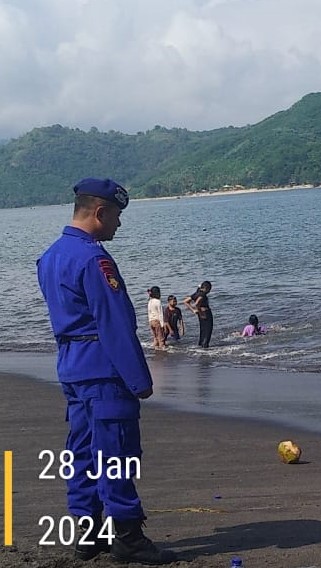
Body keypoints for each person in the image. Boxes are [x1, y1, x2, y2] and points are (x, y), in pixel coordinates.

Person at [36, 178, 176, 564]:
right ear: (99, 212)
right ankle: (127, 536)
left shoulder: (50, 256)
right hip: (103, 368)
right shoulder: (93, 259)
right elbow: (113, 322)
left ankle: (88, 531)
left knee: (80, 449)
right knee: (115, 452)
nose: (118, 224)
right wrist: (139, 380)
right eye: (116, 215)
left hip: (71, 367)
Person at [184, 281, 213, 348]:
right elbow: (197, 303)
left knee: (202, 330)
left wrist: (193, 310)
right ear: (207, 288)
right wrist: (197, 308)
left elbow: (185, 301)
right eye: (209, 289)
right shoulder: (202, 294)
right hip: (206, 313)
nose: (209, 291)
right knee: (207, 331)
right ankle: (205, 346)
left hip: (200, 314)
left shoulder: (197, 293)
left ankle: (201, 345)